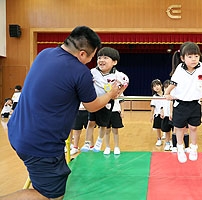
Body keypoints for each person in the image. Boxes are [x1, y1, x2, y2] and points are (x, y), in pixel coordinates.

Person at [3, 26, 122, 200]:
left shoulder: (44, 54)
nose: (92, 61)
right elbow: (92, 106)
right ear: (82, 54)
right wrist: (111, 94)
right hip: (40, 144)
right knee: (48, 195)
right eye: (92, 57)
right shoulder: (80, 72)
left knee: (48, 186)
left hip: (17, 131)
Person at [165, 42, 202, 163]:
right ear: (182, 58)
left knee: (193, 127)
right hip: (180, 103)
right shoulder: (180, 69)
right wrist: (167, 93)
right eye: (190, 57)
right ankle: (180, 147)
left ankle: (193, 147)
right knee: (179, 128)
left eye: (196, 56)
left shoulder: (201, 67)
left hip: (195, 103)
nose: (194, 59)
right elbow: (173, 83)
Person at [80, 47, 128, 154]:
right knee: (91, 122)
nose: (101, 60)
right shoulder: (93, 72)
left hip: (107, 102)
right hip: (95, 100)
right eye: (99, 58)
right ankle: (87, 142)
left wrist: (118, 93)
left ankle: (99, 142)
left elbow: (125, 82)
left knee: (103, 124)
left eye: (105, 58)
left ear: (114, 62)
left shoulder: (117, 75)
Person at [150, 79, 163, 146]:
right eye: (154, 86)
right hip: (157, 114)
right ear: (153, 88)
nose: (157, 87)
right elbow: (152, 106)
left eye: (158, 85)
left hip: (166, 114)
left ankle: (168, 140)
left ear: (161, 85)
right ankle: (159, 139)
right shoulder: (154, 97)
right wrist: (151, 116)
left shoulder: (166, 94)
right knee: (158, 128)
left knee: (168, 128)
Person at [160, 80, 173, 151]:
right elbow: (161, 106)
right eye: (165, 88)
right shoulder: (163, 97)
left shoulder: (174, 97)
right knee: (167, 131)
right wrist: (162, 112)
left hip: (174, 117)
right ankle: (167, 143)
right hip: (166, 116)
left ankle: (174, 144)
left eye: (169, 88)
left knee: (175, 131)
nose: (167, 89)